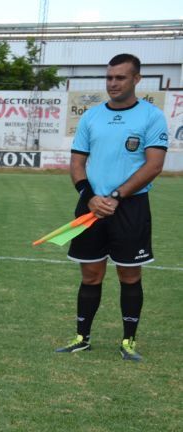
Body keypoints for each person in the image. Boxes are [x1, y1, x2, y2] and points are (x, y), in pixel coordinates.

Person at [57, 53, 168, 361]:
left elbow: (154, 165)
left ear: (136, 79)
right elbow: (77, 163)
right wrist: (89, 195)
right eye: (109, 77)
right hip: (91, 206)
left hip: (130, 207)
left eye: (120, 77)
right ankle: (82, 337)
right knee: (90, 274)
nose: (113, 83)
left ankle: (128, 341)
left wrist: (116, 196)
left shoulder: (151, 116)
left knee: (129, 276)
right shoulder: (91, 117)